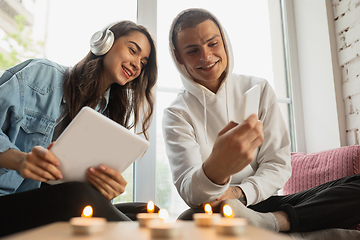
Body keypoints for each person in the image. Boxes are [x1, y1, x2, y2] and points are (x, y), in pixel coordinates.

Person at [162, 8, 360, 236]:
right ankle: (297, 230)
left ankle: (275, 224)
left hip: (262, 207)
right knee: (190, 218)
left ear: (224, 42)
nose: (206, 56)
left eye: (212, 43)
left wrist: (239, 194)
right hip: (215, 209)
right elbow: (191, 192)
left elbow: (278, 164)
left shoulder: (258, 88)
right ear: (178, 57)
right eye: (193, 50)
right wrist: (217, 169)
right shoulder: (177, 113)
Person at [0, 20, 158, 237]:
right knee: (78, 194)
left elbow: (90, 200)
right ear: (105, 42)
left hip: (55, 203)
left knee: (147, 213)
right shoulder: (42, 76)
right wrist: (21, 160)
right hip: (8, 200)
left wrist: (106, 189)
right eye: (132, 50)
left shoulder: (109, 118)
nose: (137, 65)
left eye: (143, 62)